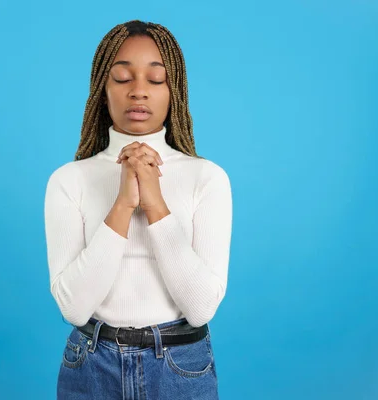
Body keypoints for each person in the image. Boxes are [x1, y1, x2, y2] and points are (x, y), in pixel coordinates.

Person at [43, 19, 232, 400]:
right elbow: (75, 309)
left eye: (155, 79)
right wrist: (123, 204)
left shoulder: (207, 178)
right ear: (102, 89)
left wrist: (155, 203)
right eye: (122, 77)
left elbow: (200, 309)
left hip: (180, 367)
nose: (139, 91)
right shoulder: (68, 180)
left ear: (173, 90)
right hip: (92, 366)